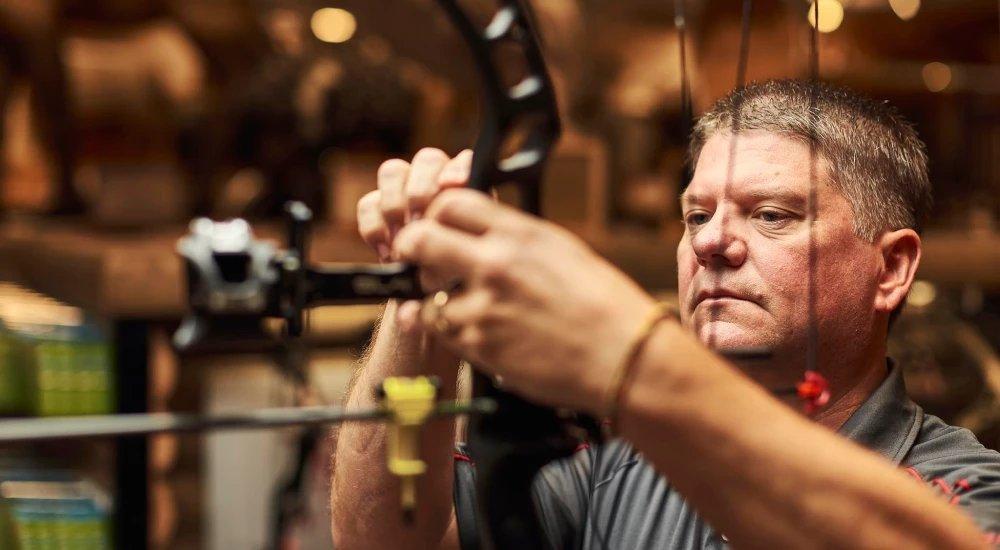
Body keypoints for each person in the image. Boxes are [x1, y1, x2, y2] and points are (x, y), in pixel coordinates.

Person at [330, 79, 999, 549]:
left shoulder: (967, 486)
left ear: (891, 269)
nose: (711, 242)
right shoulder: (610, 461)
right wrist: (419, 309)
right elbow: (386, 536)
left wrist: (633, 356)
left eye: (771, 215)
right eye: (697, 215)